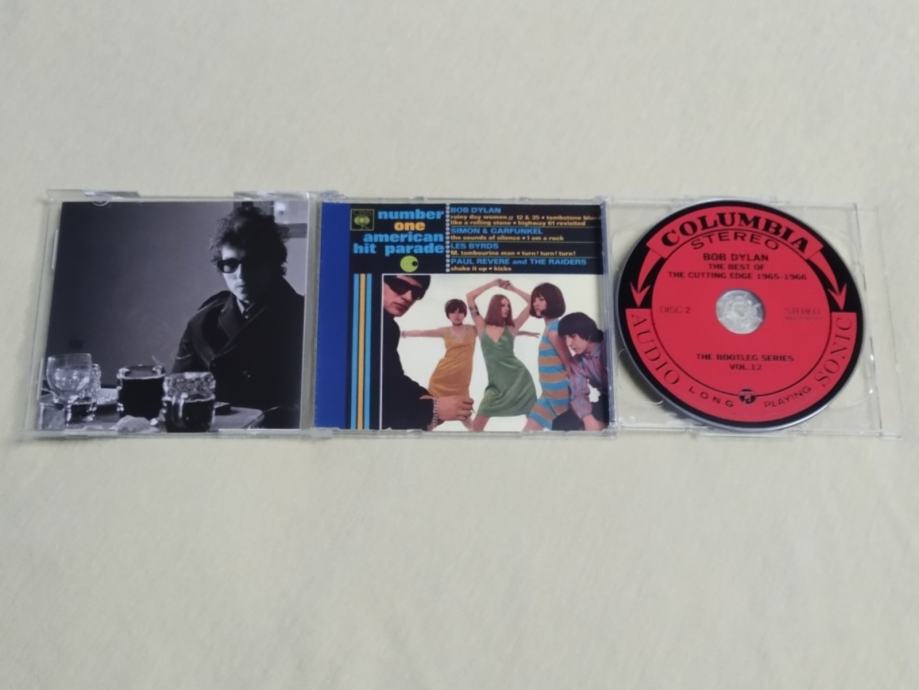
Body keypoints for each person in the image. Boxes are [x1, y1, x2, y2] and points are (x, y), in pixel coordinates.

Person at [173, 204, 304, 428]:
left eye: (252, 262)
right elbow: (178, 394)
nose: (241, 275)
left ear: (273, 263)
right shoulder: (203, 322)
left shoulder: (306, 318)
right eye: (230, 264)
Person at [381, 275, 473, 429]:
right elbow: (365, 402)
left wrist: (422, 395)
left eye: (416, 293)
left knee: (465, 416)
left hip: (462, 378)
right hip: (443, 375)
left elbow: (392, 378)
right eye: (400, 286)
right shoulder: (364, 323)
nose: (409, 297)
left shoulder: (388, 326)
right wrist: (432, 409)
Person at [466, 278, 537, 432]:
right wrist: (492, 284)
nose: (506, 308)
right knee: (476, 429)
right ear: (494, 307)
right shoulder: (481, 325)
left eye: (508, 305)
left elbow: (533, 302)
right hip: (496, 387)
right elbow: (470, 296)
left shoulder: (512, 327)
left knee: (534, 426)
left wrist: (513, 289)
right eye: (502, 305)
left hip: (520, 380)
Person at [523, 282, 573, 431]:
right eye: (534, 300)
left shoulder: (554, 330)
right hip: (547, 393)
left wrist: (576, 392)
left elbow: (569, 363)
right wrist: (513, 288)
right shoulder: (550, 327)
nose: (536, 303)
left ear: (552, 301)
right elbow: (531, 301)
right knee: (528, 432)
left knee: (567, 431)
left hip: (559, 392)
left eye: (541, 299)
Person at [551, 312, 609, 431]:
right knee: (560, 423)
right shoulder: (577, 362)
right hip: (605, 402)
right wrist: (587, 418)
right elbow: (578, 394)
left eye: (572, 336)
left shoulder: (608, 347)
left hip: (624, 399)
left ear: (587, 333)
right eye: (565, 338)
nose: (568, 343)